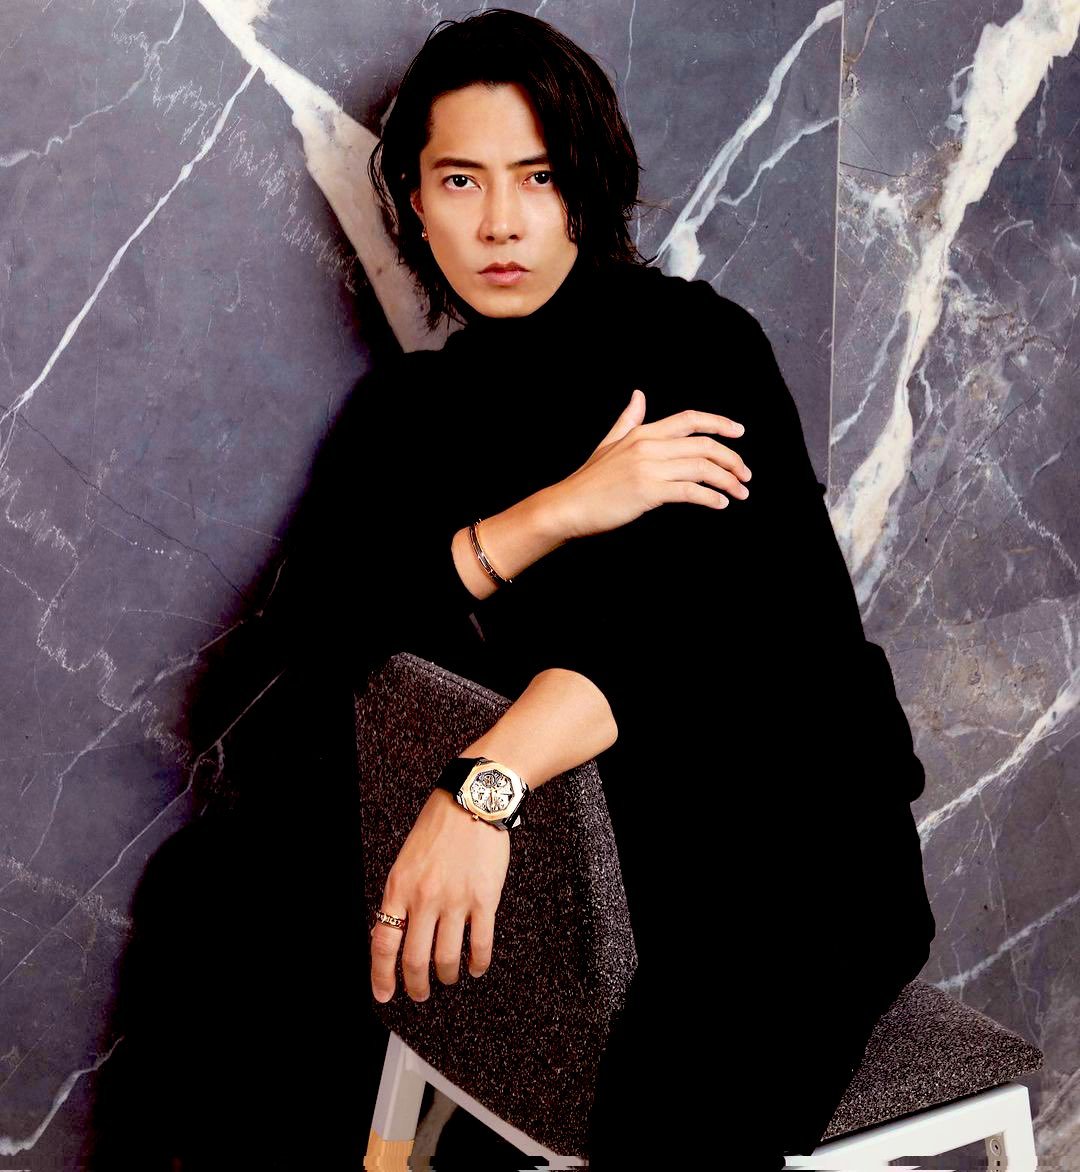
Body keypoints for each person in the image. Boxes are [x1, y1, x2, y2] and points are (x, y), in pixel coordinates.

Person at [271, 9, 938, 1168]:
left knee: (677, 1097)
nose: (501, 222)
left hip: (792, 839)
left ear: (587, 184)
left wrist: (481, 785)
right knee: (236, 924)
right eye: (462, 180)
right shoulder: (411, 413)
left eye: (537, 177)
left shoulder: (694, 344)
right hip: (588, 853)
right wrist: (556, 512)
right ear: (413, 202)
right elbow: (317, 633)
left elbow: (684, 627)